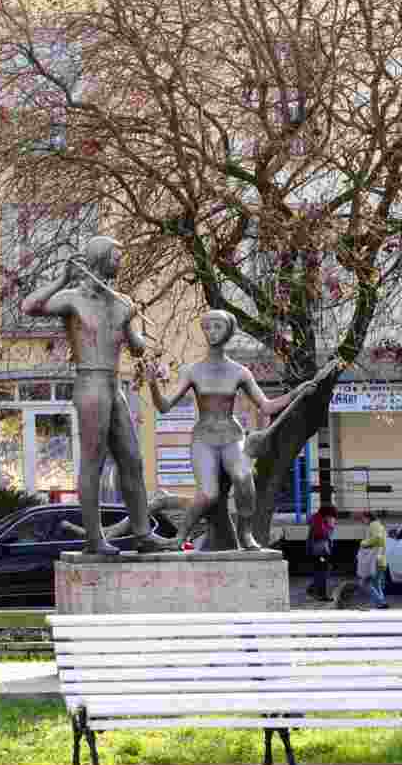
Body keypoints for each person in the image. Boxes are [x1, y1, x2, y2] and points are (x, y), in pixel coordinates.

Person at [20, 233, 174, 555]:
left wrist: (131, 322)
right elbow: (29, 306)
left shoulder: (120, 301)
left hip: (115, 384)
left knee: (131, 459)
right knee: (94, 461)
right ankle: (94, 539)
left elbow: (137, 347)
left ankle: (143, 534)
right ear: (101, 258)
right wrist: (62, 277)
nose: (121, 262)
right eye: (116, 257)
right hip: (90, 383)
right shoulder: (73, 299)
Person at [148, 310, 317, 551]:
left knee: (243, 476)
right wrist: (153, 384)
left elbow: (266, 406)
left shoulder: (239, 372)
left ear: (228, 331)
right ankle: (180, 537)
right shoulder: (192, 371)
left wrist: (296, 393)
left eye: (217, 327)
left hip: (232, 436)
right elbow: (164, 406)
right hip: (204, 438)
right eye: (207, 327)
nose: (211, 332)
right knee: (208, 494)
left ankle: (246, 533)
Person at [305, 501, 338, 601]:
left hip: (321, 550)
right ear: (327, 513)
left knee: (323, 570)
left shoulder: (318, 518)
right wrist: (329, 526)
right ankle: (321, 594)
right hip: (319, 552)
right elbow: (321, 533)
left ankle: (313, 589)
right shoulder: (318, 519)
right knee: (322, 571)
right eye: (331, 515)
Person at [357, 508, 389, 607]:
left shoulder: (373, 525)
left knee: (364, 582)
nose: (363, 521)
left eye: (363, 518)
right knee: (376, 584)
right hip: (381, 559)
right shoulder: (380, 525)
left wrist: (364, 543)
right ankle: (381, 603)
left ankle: (381, 602)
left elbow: (378, 538)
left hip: (374, 560)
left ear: (368, 518)